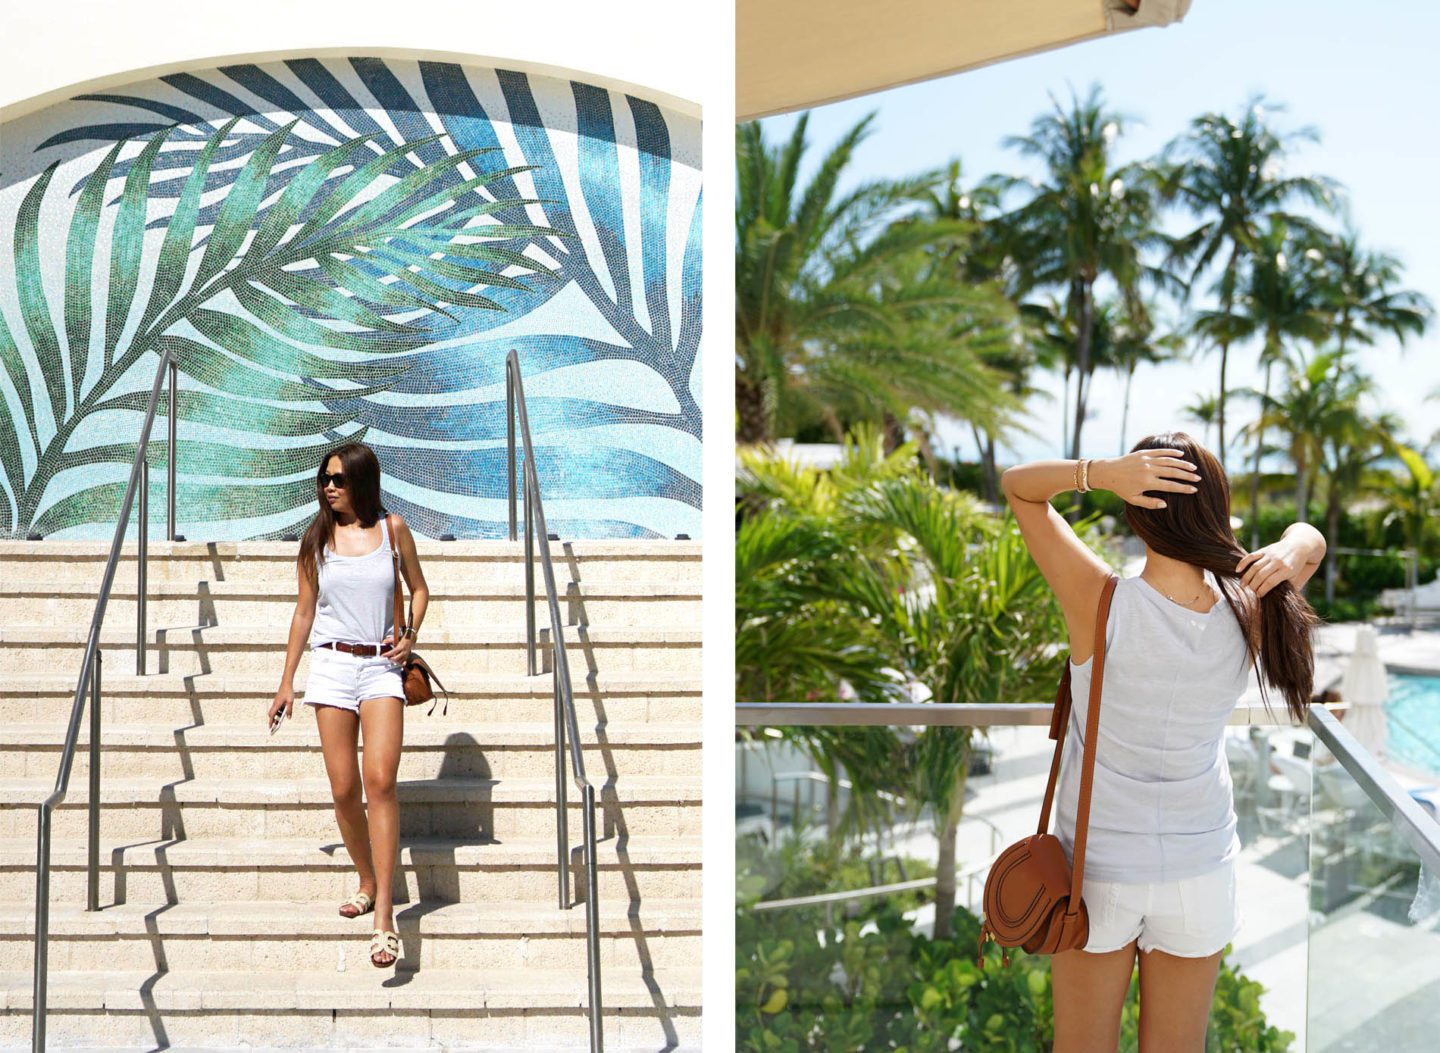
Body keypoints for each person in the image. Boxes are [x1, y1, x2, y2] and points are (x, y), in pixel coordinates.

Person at [1001, 432, 1324, 1052]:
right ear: (1217, 510)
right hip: (1199, 869)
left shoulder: (1099, 600)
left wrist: (1100, 473)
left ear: (1134, 508)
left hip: (1097, 870)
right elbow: (1311, 543)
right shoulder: (1250, 603)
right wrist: (1288, 546)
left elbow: (1020, 487)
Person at [269, 441, 430, 970]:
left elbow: (420, 588)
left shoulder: (393, 530)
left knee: (380, 780)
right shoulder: (317, 538)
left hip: (382, 666)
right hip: (333, 667)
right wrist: (286, 681)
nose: (329, 486)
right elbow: (303, 612)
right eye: (325, 478)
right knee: (343, 789)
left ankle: (385, 914)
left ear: (361, 480)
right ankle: (366, 875)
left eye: (338, 478)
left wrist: (409, 633)